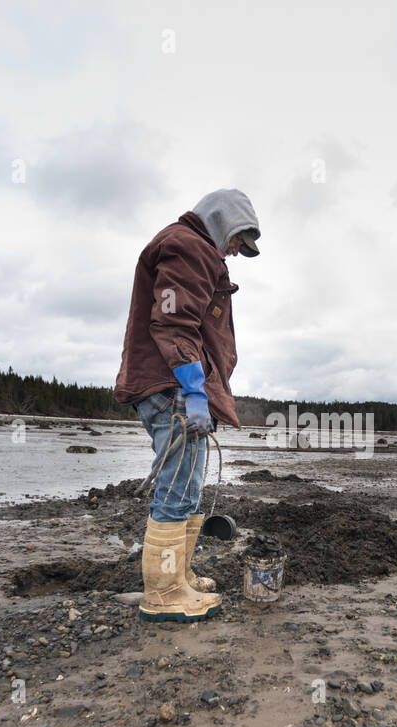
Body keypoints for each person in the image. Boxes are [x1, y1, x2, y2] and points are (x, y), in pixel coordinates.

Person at [114, 188, 260, 622]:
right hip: (173, 388)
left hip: (178, 388)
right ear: (223, 222)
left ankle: (180, 576)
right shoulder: (188, 246)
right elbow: (174, 323)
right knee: (177, 490)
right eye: (237, 240)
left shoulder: (197, 250)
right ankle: (162, 595)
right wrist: (194, 387)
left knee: (189, 489)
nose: (235, 251)